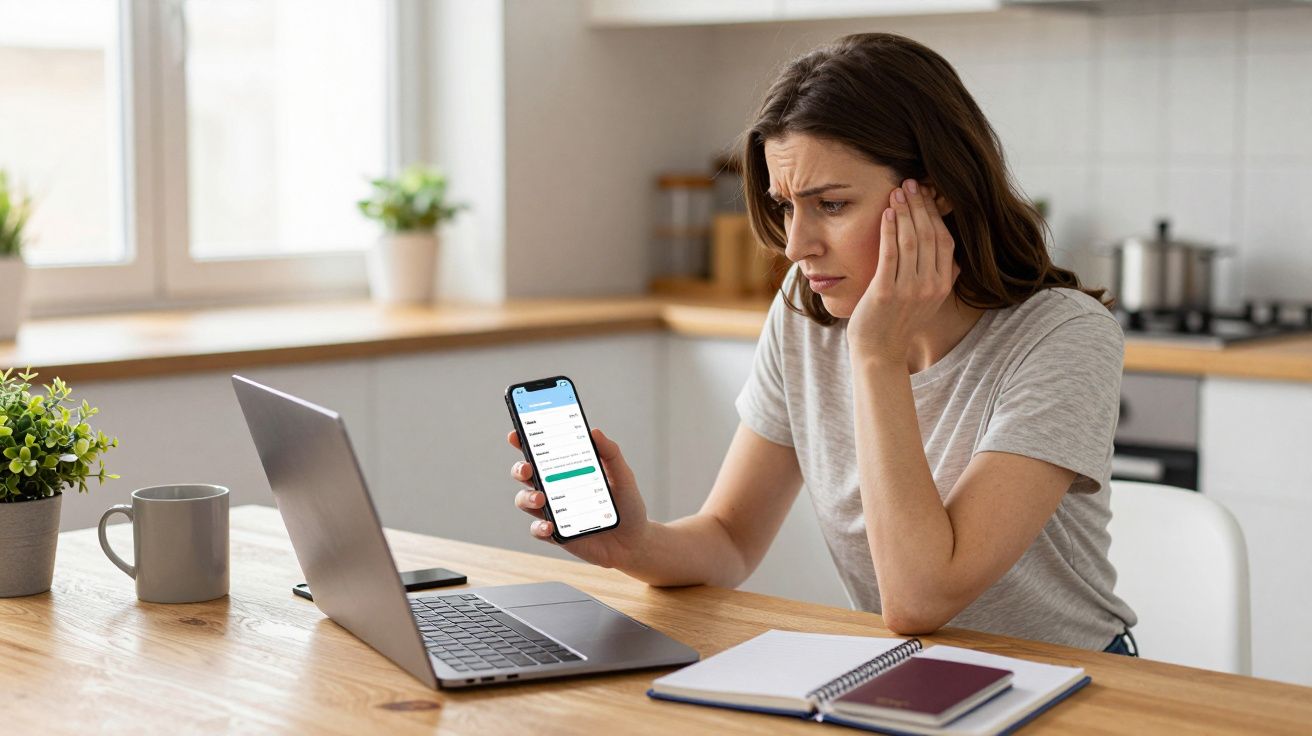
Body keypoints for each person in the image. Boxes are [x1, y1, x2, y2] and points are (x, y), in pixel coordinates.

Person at [508, 32, 1137, 654]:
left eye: (832, 204)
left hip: (1079, 688)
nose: (796, 245)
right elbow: (730, 537)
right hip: (918, 677)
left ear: (938, 188)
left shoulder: (1063, 338)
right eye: (786, 207)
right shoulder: (804, 313)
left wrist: (876, 355)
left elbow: (920, 599)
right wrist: (635, 544)